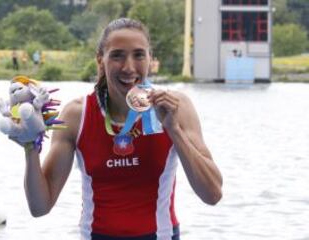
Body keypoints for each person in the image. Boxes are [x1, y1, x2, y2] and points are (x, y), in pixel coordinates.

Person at [20, 18, 222, 240]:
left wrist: (174, 130)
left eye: (138, 55)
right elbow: (40, 207)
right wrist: (30, 147)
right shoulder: (77, 115)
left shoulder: (176, 107)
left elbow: (212, 194)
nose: (128, 67)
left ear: (150, 59)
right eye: (117, 55)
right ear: (100, 60)